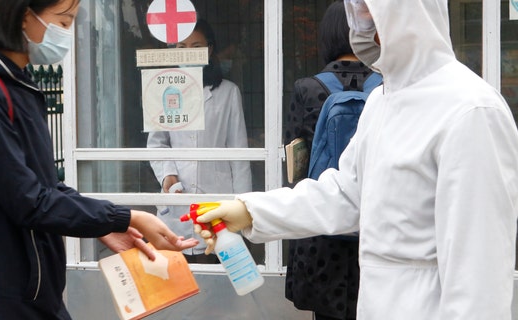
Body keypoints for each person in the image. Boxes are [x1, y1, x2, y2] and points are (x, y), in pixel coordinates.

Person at [195, 0, 518, 319]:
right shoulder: (381, 101)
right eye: (355, 9)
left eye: (369, 7)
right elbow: (346, 194)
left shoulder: (471, 111)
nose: (359, 22)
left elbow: (480, 277)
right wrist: (251, 212)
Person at [0, 0, 198, 318]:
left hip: (33, 289)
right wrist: (127, 217)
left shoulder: (17, 85)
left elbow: (46, 186)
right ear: (25, 16)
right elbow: (29, 201)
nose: (68, 34)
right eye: (64, 21)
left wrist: (103, 226)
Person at [283, 2, 376, 319]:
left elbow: (295, 168)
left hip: (322, 229)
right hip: (375, 226)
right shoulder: (387, 87)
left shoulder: (307, 89)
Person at [147, 19, 252, 263]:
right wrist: (168, 174)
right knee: (176, 279)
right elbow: (157, 143)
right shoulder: (163, 90)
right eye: (181, 47)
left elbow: (239, 153)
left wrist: (244, 207)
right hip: (176, 202)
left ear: (210, 50)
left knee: (219, 278)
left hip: (218, 201)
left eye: (196, 46)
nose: (188, 53)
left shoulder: (227, 92)